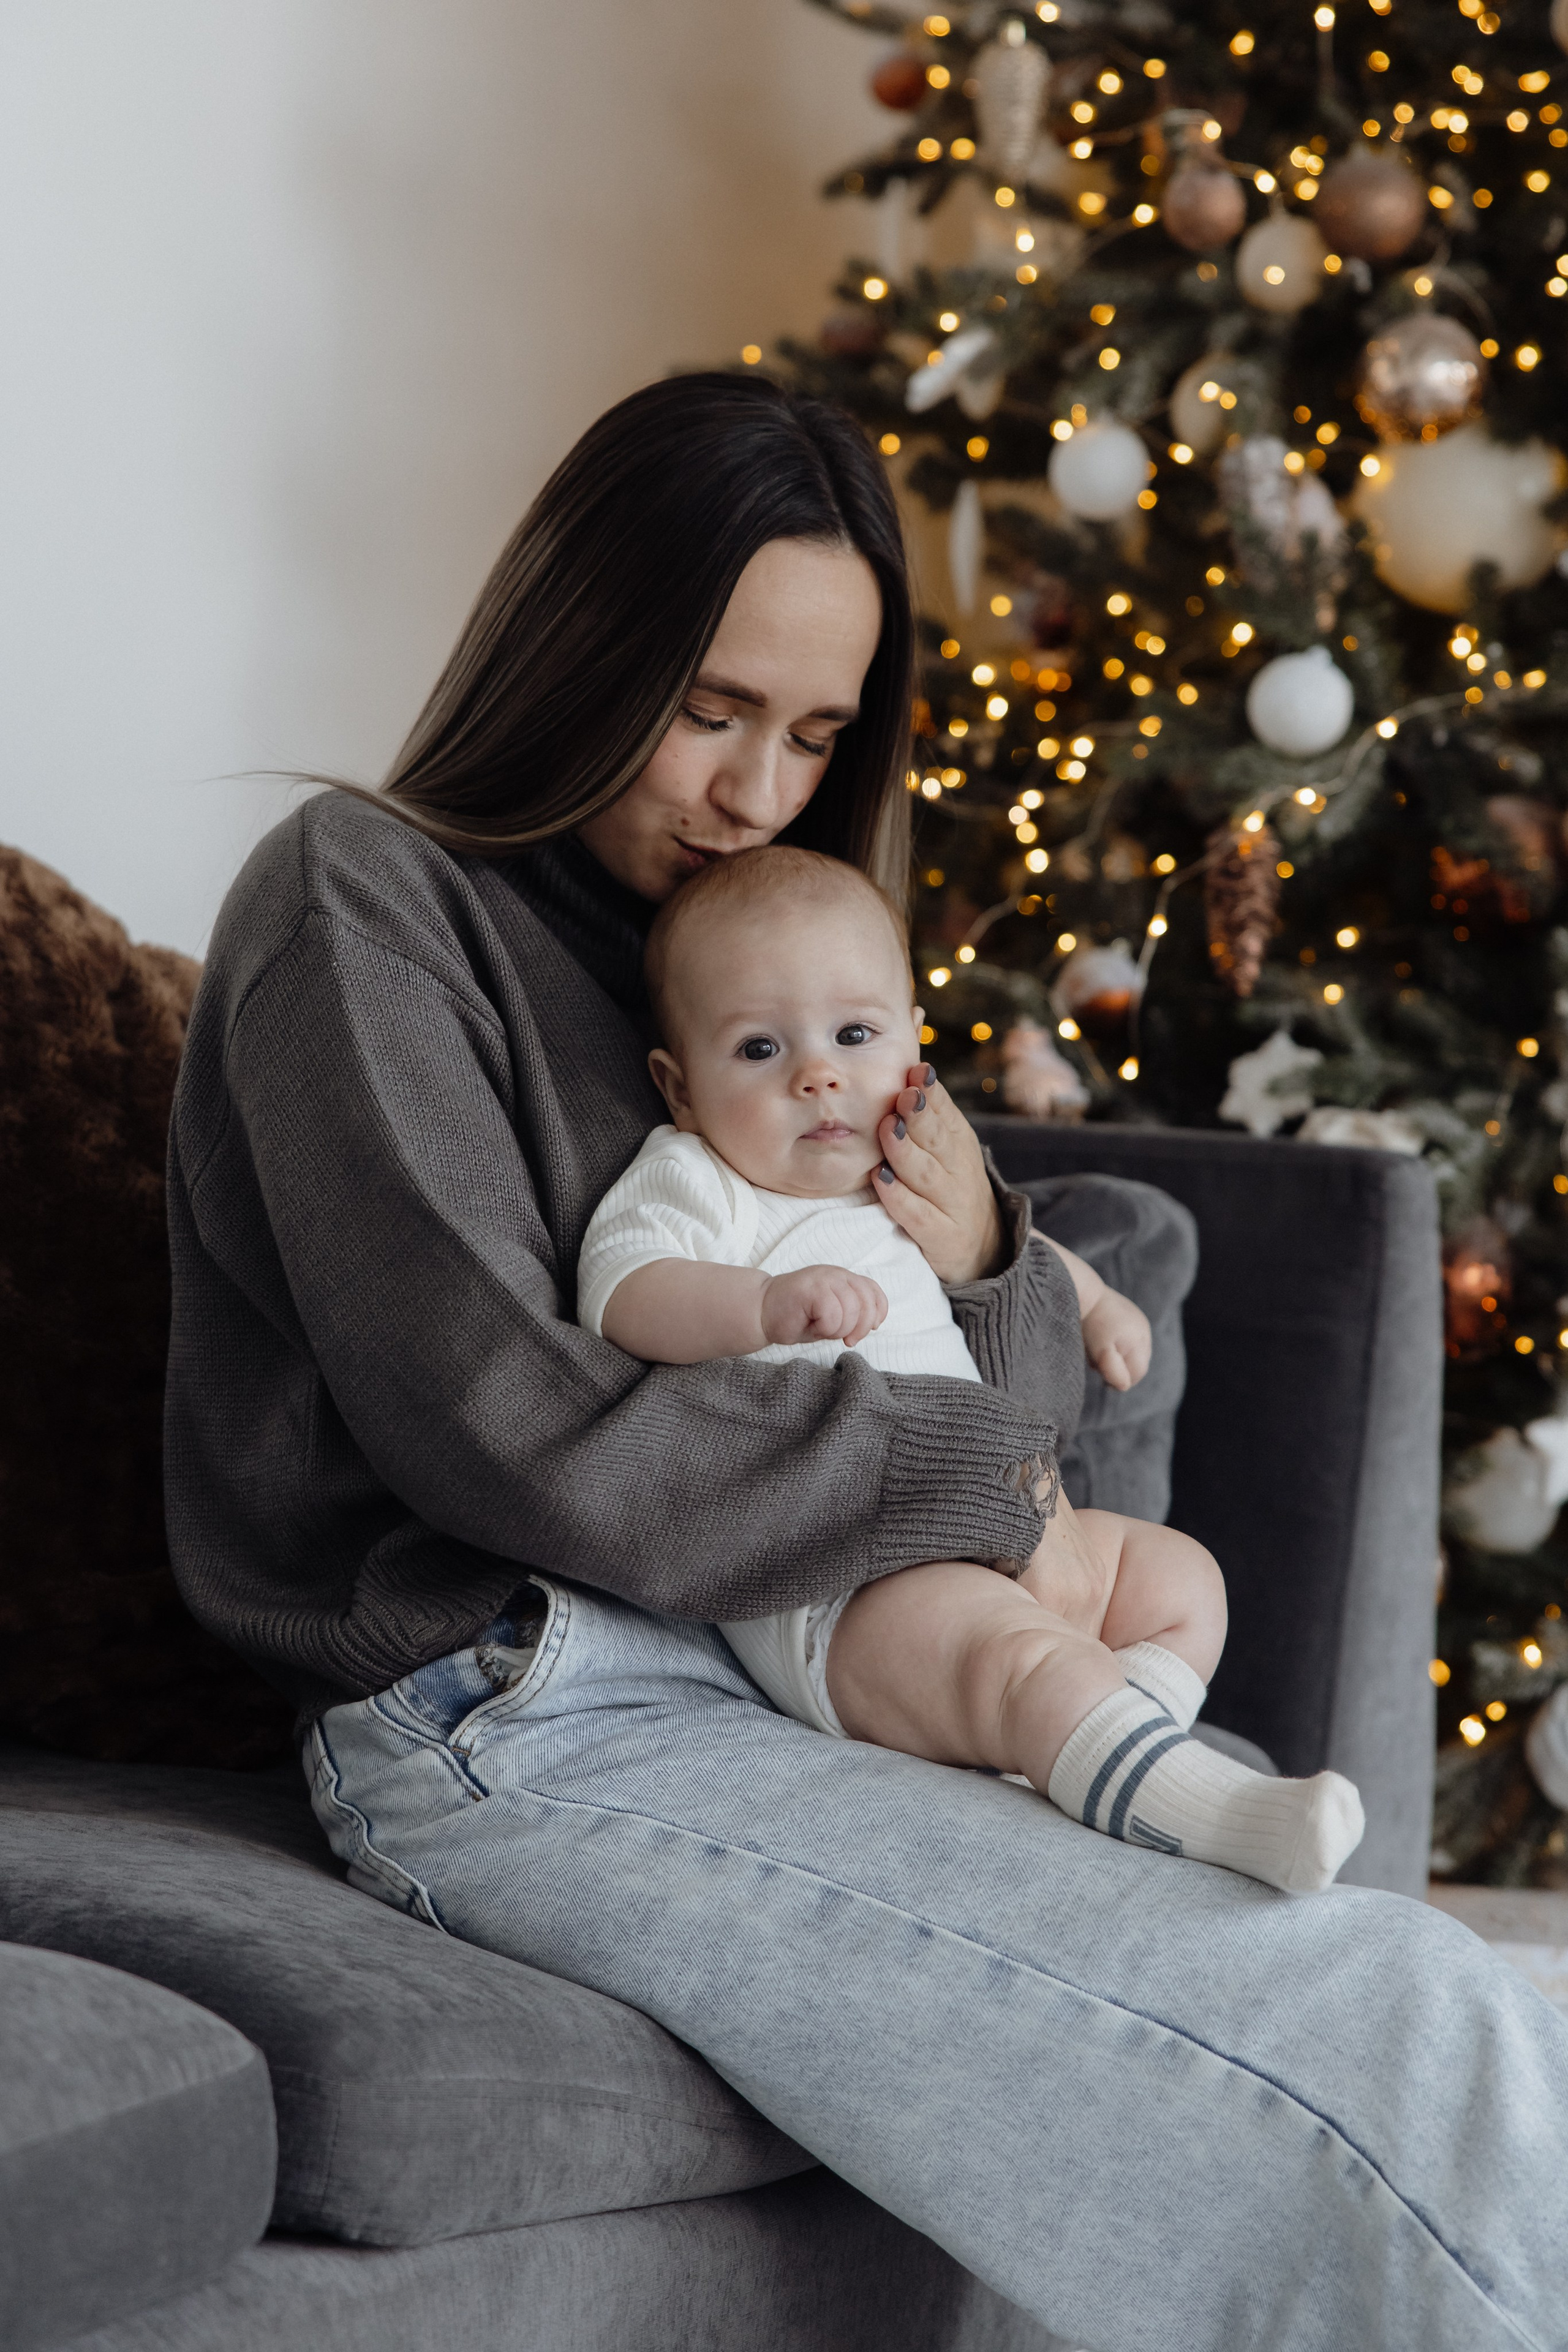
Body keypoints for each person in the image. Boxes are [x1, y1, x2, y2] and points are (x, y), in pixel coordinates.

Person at [166, 371, 1568, 2351]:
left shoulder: (787, 968)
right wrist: (974, 1471)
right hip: (527, 1700)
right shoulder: (363, 908)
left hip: (840, 1662)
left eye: (815, 736)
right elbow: (506, 1429)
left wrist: (990, 1258)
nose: (755, 794)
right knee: (1390, 2033)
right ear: (578, 648)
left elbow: (1008, 1380)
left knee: (1416, 1985)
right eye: (712, 711)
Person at [579, 842, 1365, 1894]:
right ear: (680, 1088)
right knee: (1019, 1657)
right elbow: (624, 1290)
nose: (819, 1075)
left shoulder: (909, 1164)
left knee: (1183, 1580)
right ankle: (1207, 1809)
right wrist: (759, 1306)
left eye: (855, 1035)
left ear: (913, 1042)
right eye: (760, 1050)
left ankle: (1106, 1764)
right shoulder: (701, 1177)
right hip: (844, 1578)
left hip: (1006, 1526)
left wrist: (1099, 1303)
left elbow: (1017, 1244)